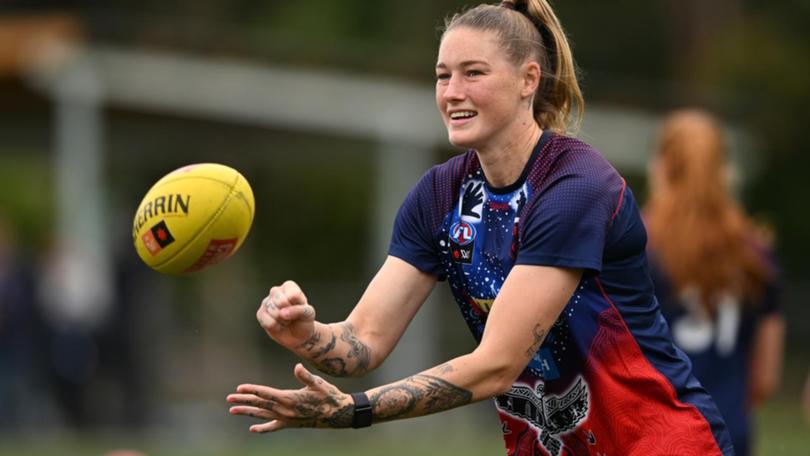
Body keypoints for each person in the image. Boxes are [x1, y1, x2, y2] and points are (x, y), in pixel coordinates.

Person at [227, 2, 734, 454]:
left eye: (473, 73)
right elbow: (364, 340)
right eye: (442, 76)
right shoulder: (438, 195)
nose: (452, 93)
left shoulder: (576, 186)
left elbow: (498, 363)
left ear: (528, 80)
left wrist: (354, 410)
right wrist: (306, 333)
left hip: (662, 442)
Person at [644, 109, 785, 456]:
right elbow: (765, 377)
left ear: (662, 166)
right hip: (728, 433)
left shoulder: (639, 246)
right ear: (724, 171)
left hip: (654, 433)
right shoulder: (756, 254)